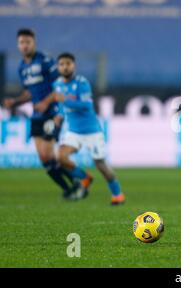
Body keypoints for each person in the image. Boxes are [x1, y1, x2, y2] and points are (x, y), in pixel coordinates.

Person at [35, 52, 125, 205]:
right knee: (61, 157)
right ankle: (84, 178)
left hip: (92, 131)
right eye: (62, 64)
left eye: (68, 64)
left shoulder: (81, 83)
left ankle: (117, 194)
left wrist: (66, 101)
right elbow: (62, 107)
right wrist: (59, 116)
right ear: (58, 67)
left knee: (100, 164)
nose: (65, 67)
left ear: (74, 65)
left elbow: (86, 105)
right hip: (73, 131)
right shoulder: (57, 84)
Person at [3, 28, 75, 199]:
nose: (25, 45)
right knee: (44, 159)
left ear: (34, 43)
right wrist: (15, 101)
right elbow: (30, 93)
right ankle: (70, 187)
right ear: (18, 45)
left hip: (51, 112)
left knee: (49, 154)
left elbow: (59, 85)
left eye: (28, 42)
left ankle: (78, 184)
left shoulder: (45, 61)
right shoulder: (22, 68)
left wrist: (46, 102)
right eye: (21, 42)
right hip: (36, 115)